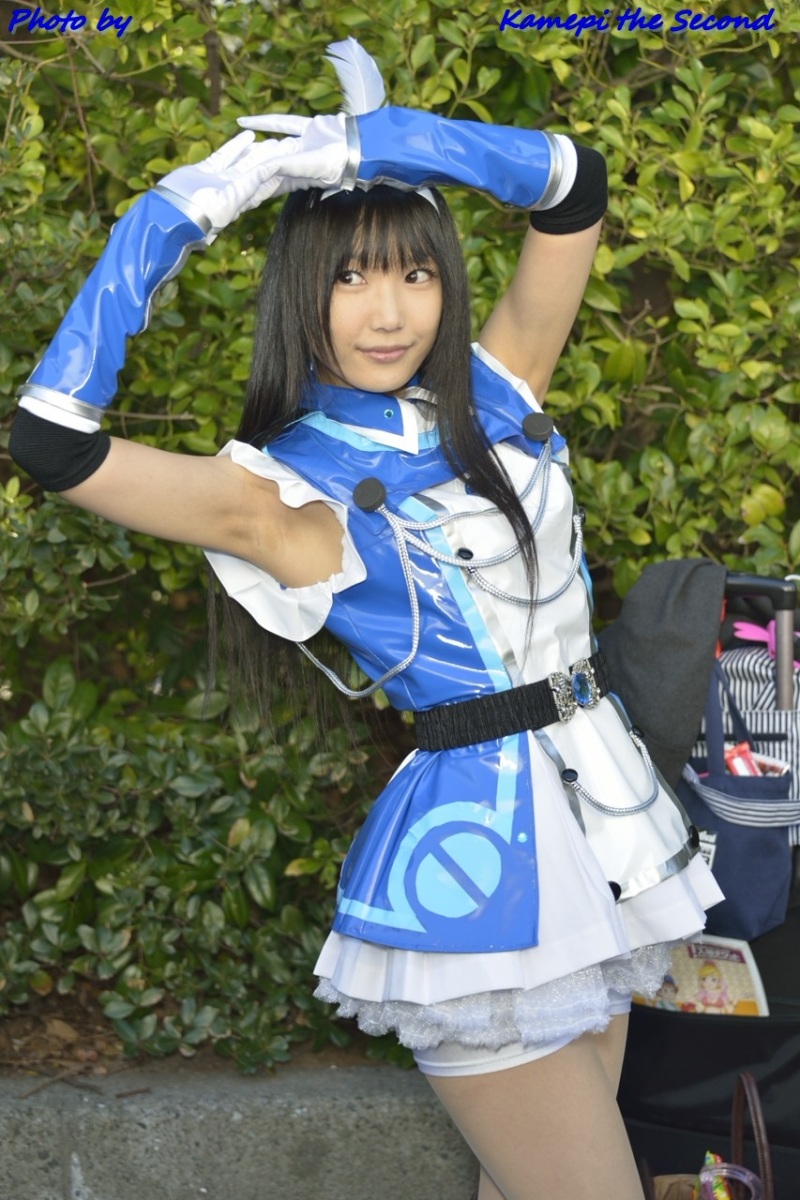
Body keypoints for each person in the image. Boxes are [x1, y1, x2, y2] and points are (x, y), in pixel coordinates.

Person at [10, 40, 723, 1200]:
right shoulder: (284, 490)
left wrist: (389, 144)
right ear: (303, 292)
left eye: (413, 273)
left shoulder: (494, 389)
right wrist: (177, 214)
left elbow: (570, 185)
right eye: (349, 279)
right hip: (482, 870)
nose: (387, 312)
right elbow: (52, 442)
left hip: (604, 830)